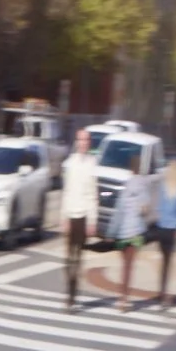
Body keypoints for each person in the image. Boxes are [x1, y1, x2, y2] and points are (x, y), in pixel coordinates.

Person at [60, 128, 99, 312]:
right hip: (70, 214)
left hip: (83, 216)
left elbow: (93, 194)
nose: (83, 143)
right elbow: (66, 192)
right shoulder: (70, 163)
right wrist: (63, 217)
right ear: (77, 142)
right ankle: (70, 293)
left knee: (77, 257)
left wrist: (92, 221)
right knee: (69, 259)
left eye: (86, 140)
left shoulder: (92, 164)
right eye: (81, 140)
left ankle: (72, 297)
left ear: (89, 143)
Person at [111, 151, 151, 312]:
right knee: (130, 266)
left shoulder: (126, 187)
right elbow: (145, 209)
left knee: (124, 266)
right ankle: (125, 299)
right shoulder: (143, 186)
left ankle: (121, 298)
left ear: (130, 169)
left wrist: (111, 232)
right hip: (136, 233)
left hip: (123, 233)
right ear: (140, 168)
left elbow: (119, 212)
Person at [152, 157, 176, 309]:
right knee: (168, 261)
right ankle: (164, 293)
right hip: (173, 229)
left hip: (162, 227)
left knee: (163, 259)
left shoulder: (163, 186)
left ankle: (161, 291)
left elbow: (159, 206)